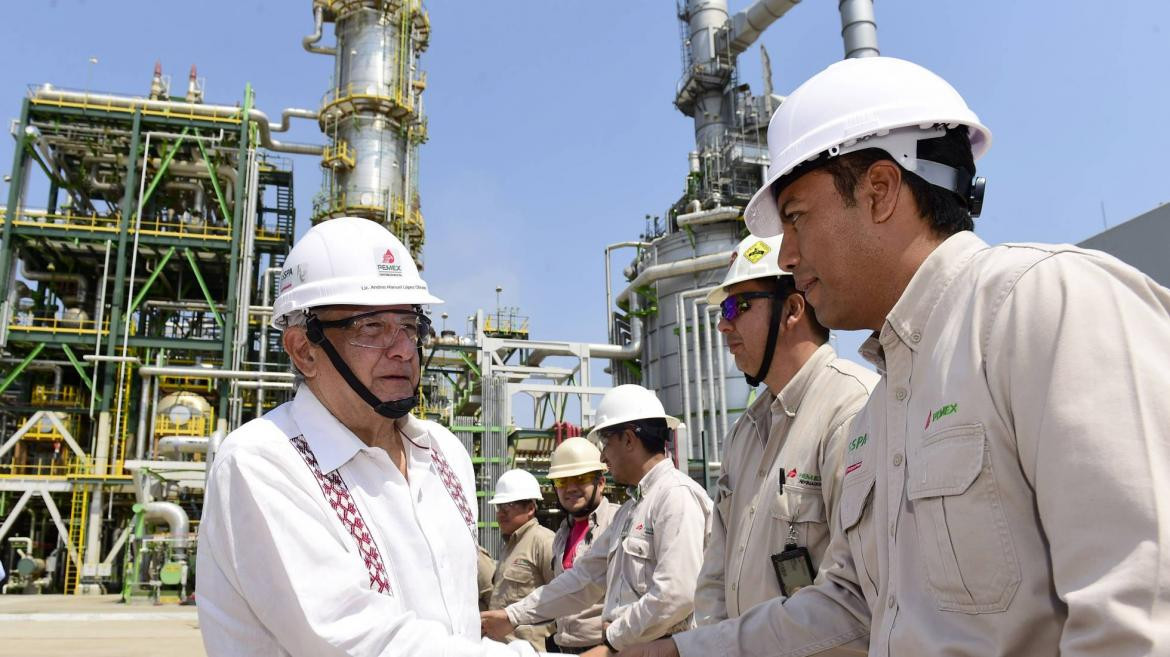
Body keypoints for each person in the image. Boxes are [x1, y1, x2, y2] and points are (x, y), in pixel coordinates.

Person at [622, 56, 1170, 657]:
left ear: (880, 191)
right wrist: (679, 651)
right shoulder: (882, 408)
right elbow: (854, 605)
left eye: (797, 220)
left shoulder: (1045, 307)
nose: (787, 256)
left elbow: (1140, 617)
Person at [197, 217, 540, 656]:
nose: (402, 349)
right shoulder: (263, 462)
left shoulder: (444, 454)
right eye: (370, 328)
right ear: (304, 349)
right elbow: (356, 640)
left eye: (410, 326)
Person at [694, 233, 877, 626]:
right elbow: (715, 575)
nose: (724, 325)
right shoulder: (744, 434)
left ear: (793, 308)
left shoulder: (853, 409)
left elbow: (856, 598)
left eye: (736, 306)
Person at [482, 385, 712, 656]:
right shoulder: (631, 511)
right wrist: (513, 615)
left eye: (606, 444)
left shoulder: (675, 497)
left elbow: (676, 594)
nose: (603, 457)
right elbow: (583, 578)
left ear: (628, 439)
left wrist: (611, 642)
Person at [544, 437, 619, 653]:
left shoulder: (618, 523)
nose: (570, 488)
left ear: (601, 482)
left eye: (581, 478)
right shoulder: (561, 534)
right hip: (564, 646)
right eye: (562, 481)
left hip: (605, 648)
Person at [488, 469, 557, 652]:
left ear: (531, 508)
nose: (501, 513)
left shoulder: (544, 541)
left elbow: (562, 597)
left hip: (532, 650)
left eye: (509, 505)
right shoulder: (510, 545)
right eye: (499, 507)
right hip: (503, 649)